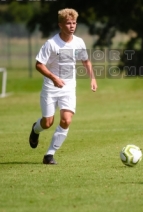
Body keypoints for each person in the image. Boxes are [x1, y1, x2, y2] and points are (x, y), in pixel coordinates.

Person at [29, 8, 97, 164]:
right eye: (68, 23)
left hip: (68, 88)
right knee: (47, 123)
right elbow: (39, 65)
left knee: (66, 120)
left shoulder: (79, 42)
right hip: (50, 88)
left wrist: (92, 78)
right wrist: (53, 78)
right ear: (60, 25)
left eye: (74, 23)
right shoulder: (51, 44)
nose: (72, 26)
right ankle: (35, 129)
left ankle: (49, 155)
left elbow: (85, 61)